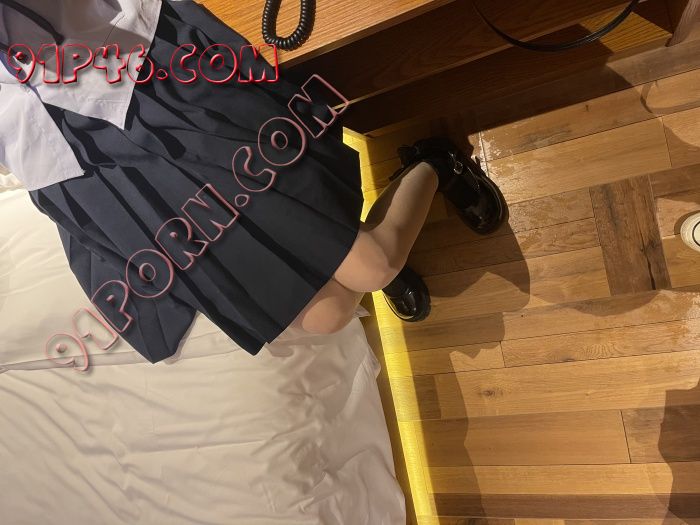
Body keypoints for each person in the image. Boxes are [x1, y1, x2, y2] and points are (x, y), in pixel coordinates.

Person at [0, 0, 507, 364]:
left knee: (374, 266)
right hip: (71, 170)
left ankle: (435, 163)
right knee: (327, 316)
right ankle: (358, 242)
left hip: (131, 80)